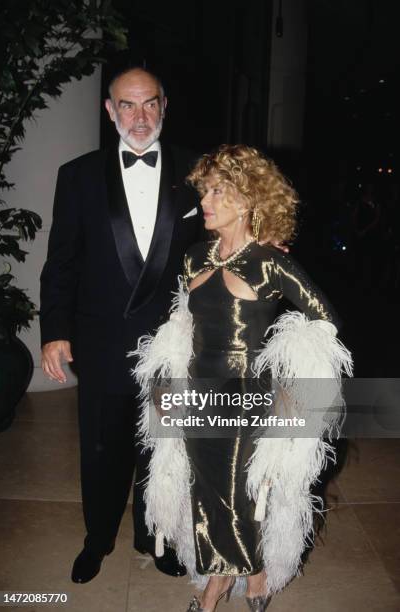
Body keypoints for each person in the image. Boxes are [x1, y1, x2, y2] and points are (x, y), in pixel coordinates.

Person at [131, 144, 352, 611]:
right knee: (204, 490)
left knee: (232, 492)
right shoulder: (195, 256)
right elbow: (181, 327)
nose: (205, 201)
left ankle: (216, 587)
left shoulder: (270, 261)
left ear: (248, 199)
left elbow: (324, 321)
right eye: (205, 190)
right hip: (195, 393)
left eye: (218, 191)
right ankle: (249, 575)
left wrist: (291, 382)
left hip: (243, 396)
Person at [39, 67, 203, 583]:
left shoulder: (197, 171)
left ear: (164, 106)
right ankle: (98, 538)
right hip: (102, 338)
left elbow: (222, 242)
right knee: (103, 447)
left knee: (165, 446)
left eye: (149, 104)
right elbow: (60, 261)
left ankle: (156, 536)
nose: (139, 117)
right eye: (127, 106)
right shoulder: (78, 175)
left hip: (174, 342)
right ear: (109, 110)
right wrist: (54, 331)